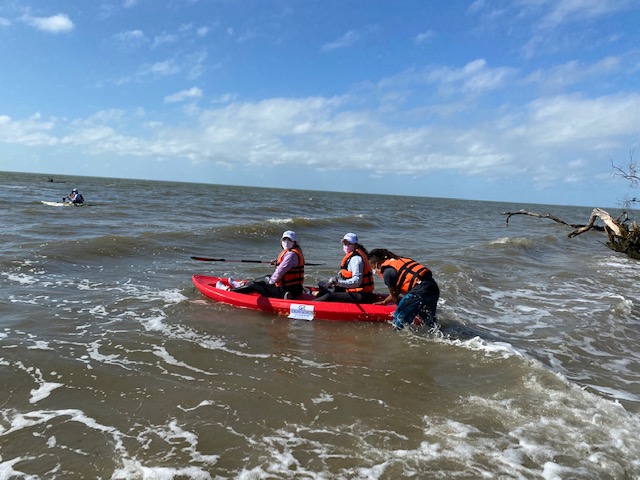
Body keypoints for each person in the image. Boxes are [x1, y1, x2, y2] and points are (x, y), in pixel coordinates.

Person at [367, 248, 440, 331]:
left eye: (372, 267)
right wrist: (385, 302)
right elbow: (397, 291)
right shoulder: (399, 261)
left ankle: (396, 338)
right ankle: (441, 336)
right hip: (433, 289)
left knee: (399, 320)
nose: (373, 270)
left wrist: (402, 307)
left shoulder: (387, 272)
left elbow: (395, 296)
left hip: (419, 291)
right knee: (429, 320)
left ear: (378, 265)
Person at [230, 230, 305, 299]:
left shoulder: (291, 255)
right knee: (266, 277)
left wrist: (270, 282)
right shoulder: (294, 252)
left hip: (287, 290)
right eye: (284, 239)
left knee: (255, 284)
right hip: (296, 288)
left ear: (294, 242)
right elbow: (287, 265)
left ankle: (231, 291)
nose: (286, 242)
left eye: (289, 240)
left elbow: (280, 270)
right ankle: (241, 286)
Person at [314, 233, 375, 303]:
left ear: (355, 245)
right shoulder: (352, 256)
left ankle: (309, 307)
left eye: (349, 244)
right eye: (345, 244)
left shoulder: (356, 259)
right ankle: (317, 295)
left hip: (362, 295)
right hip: (353, 290)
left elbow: (357, 282)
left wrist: (339, 283)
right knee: (323, 284)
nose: (346, 246)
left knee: (329, 296)